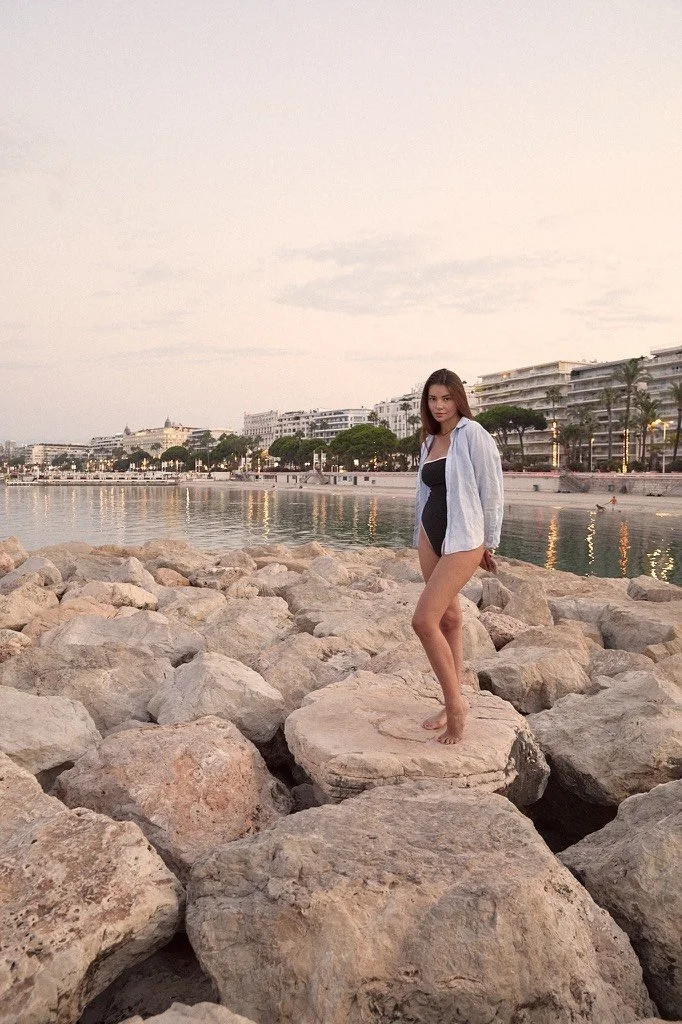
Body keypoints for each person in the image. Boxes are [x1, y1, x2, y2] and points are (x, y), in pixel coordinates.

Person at [412, 368, 504, 745]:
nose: (439, 406)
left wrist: (488, 542)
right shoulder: (429, 441)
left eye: (446, 398)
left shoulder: (473, 434)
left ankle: (456, 707)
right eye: (433, 399)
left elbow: (491, 490)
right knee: (449, 619)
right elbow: (425, 494)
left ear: (458, 400)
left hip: (465, 538)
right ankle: (452, 695)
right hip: (430, 537)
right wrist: (419, 534)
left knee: (423, 621)